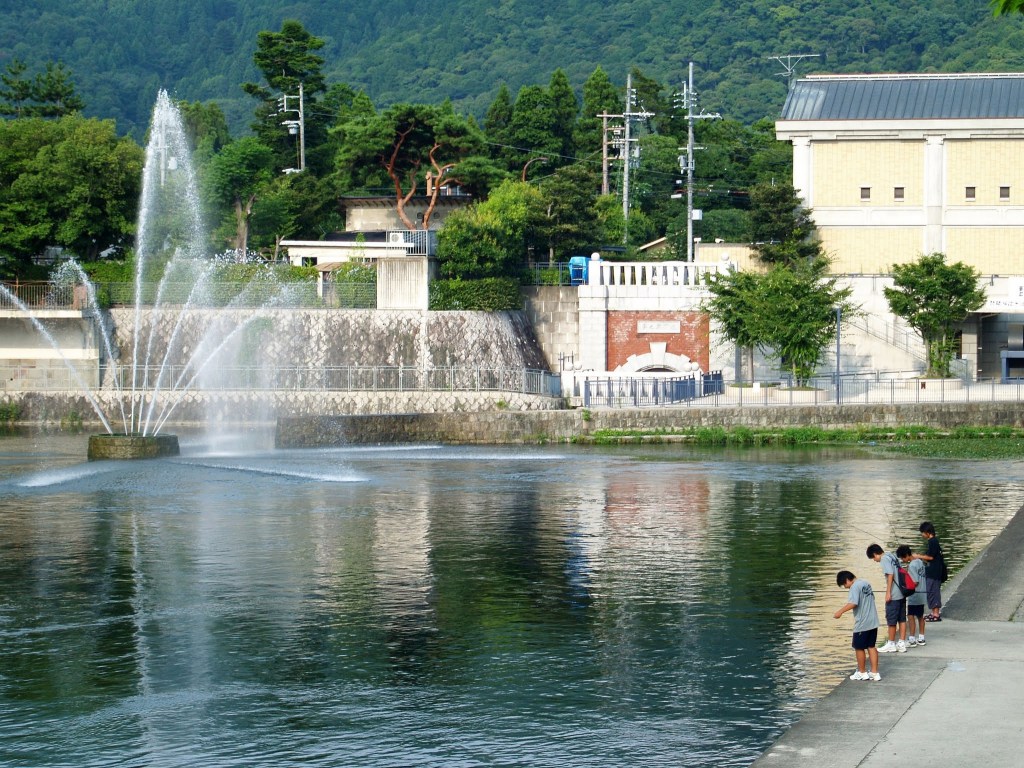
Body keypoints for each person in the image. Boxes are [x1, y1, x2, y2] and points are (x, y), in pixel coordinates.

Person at [834, 569, 881, 681]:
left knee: (858, 647)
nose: (846, 587)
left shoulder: (854, 587)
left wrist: (840, 611)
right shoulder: (865, 583)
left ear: (847, 580)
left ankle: (862, 672)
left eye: (844, 585)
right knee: (871, 646)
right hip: (873, 621)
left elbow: (854, 603)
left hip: (862, 623)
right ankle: (874, 673)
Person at [866, 543, 907, 652]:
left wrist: (888, 592)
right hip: (902, 591)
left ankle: (891, 643)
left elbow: (890, 574)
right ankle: (902, 643)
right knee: (902, 618)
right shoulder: (891, 555)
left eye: (873, 558)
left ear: (875, 554)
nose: (875, 560)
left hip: (894, 594)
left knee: (891, 619)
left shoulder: (884, 559)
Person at [915, 521, 944, 621]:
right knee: (931, 591)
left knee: (933, 591)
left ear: (927, 532)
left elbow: (930, 557)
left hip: (934, 572)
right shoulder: (933, 542)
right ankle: (933, 612)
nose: (922, 535)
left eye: (922, 532)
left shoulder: (933, 541)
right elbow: (929, 556)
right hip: (933, 571)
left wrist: (918, 556)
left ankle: (936, 614)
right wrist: (921, 556)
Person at [900, 545, 927, 647]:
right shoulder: (919, 561)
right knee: (920, 616)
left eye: (903, 558)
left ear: (906, 555)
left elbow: (914, 582)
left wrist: (905, 588)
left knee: (910, 616)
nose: (903, 560)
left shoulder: (911, 566)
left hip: (914, 595)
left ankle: (912, 639)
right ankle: (921, 637)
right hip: (923, 593)